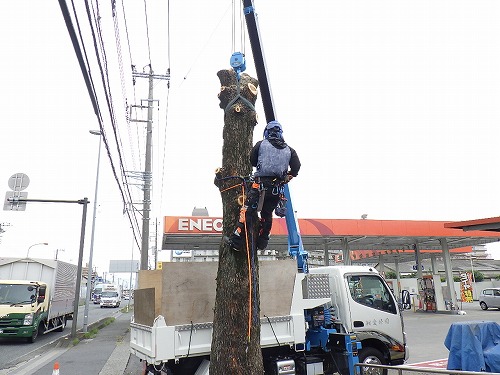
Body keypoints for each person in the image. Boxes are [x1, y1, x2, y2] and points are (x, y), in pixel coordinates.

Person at [227, 120, 301, 251]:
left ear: (266, 133)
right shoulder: (290, 150)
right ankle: (262, 242)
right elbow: (296, 167)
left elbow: (253, 161)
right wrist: (288, 175)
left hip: (259, 186)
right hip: (276, 190)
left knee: (247, 211)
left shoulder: (260, 145)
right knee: (267, 214)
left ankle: (237, 241)